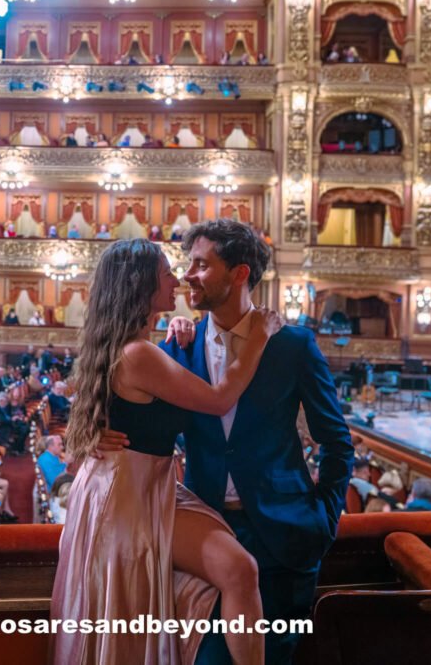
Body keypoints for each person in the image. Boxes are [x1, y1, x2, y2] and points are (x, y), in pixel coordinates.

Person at [99, 221, 354, 663]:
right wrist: (96, 435)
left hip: (284, 535)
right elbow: (128, 409)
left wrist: (324, 516)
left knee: (275, 656)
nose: (188, 276)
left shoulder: (292, 345)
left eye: (201, 265)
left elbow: (336, 440)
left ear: (239, 273)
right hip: (202, 530)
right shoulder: (178, 345)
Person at [51, 238, 284, 664]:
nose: (177, 280)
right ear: (140, 283)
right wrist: (259, 337)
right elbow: (218, 400)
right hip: (126, 496)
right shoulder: (138, 354)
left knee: (237, 570)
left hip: (134, 486)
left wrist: (176, 333)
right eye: (166, 272)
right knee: (239, 569)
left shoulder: (135, 346)